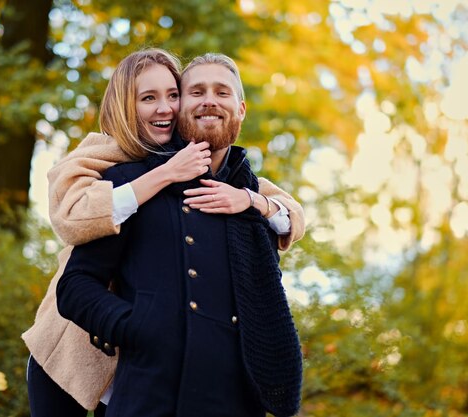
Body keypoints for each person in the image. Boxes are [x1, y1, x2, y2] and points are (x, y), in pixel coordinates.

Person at [22, 49, 305, 416]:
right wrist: (165, 174)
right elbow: (71, 219)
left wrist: (254, 201)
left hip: (143, 377)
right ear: (127, 106)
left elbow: (291, 212)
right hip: (67, 357)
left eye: (172, 95)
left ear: (241, 108)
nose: (165, 109)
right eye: (149, 98)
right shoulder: (110, 157)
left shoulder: (236, 189)